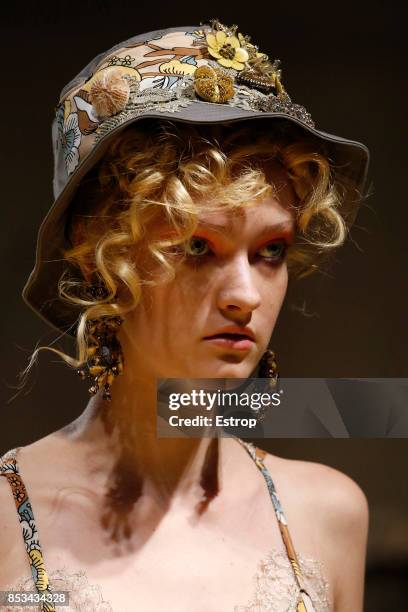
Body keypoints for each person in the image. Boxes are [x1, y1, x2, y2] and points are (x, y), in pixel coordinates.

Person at [0, 20, 370, 611]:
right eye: (198, 247)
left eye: (270, 249)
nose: (246, 296)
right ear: (102, 258)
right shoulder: (6, 519)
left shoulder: (327, 515)